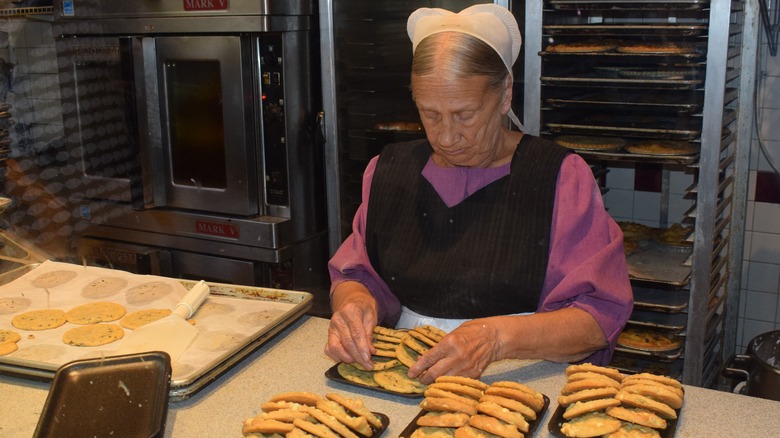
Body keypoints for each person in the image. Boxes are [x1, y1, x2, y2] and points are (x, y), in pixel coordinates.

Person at [325, 4, 633, 384]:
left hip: (518, 377)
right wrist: (354, 304)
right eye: (430, 114)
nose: (446, 137)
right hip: (409, 377)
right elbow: (358, 275)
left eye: (464, 114)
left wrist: (495, 339)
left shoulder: (559, 178)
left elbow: (595, 318)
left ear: (504, 94)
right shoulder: (388, 170)